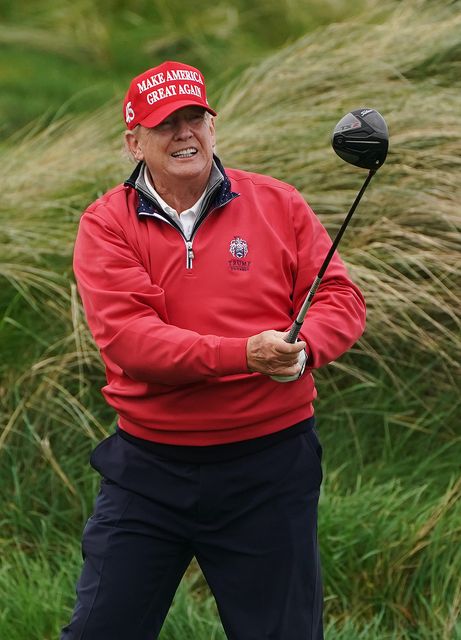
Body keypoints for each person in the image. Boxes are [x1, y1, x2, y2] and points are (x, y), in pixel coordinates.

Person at [61, 60, 366, 640]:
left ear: (213, 128)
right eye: (165, 124)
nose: (184, 134)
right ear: (134, 143)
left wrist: (305, 350)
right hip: (148, 469)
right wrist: (244, 355)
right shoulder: (106, 225)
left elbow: (339, 297)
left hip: (269, 467)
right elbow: (133, 342)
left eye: (194, 118)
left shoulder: (279, 204)